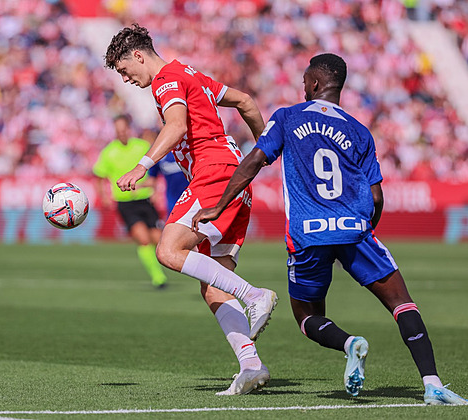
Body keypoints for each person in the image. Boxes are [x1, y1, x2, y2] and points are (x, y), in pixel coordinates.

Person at [192, 53, 468, 405]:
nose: (302, 85)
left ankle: (349, 343)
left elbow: (254, 161)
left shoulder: (287, 117)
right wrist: (364, 231)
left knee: (307, 317)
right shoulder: (359, 129)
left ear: (316, 84)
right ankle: (432, 384)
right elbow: (377, 195)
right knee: (402, 304)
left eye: (306, 79)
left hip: (308, 236)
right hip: (355, 230)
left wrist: (218, 206)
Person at [105, 24, 278, 395]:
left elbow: (178, 125)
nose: (126, 79)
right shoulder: (191, 74)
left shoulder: (166, 79)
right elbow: (246, 101)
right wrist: (264, 155)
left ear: (138, 55)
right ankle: (251, 365)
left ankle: (254, 295)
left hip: (214, 175)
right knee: (214, 288)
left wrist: (142, 165)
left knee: (167, 250)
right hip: (235, 179)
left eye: (123, 70)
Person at [93, 114, 168, 289]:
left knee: (159, 239)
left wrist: (154, 187)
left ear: (129, 129)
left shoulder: (142, 147)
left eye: (124, 129)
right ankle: (158, 278)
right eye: (118, 131)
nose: (121, 133)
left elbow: (155, 172)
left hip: (145, 200)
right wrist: (104, 195)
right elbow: (98, 176)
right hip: (125, 203)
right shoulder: (109, 152)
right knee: (142, 238)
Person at [148, 152, 190, 218]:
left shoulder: (187, 146)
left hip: (194, 196)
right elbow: (152, 176)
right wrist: (153, 192)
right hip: (173, 199)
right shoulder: (159, 151)